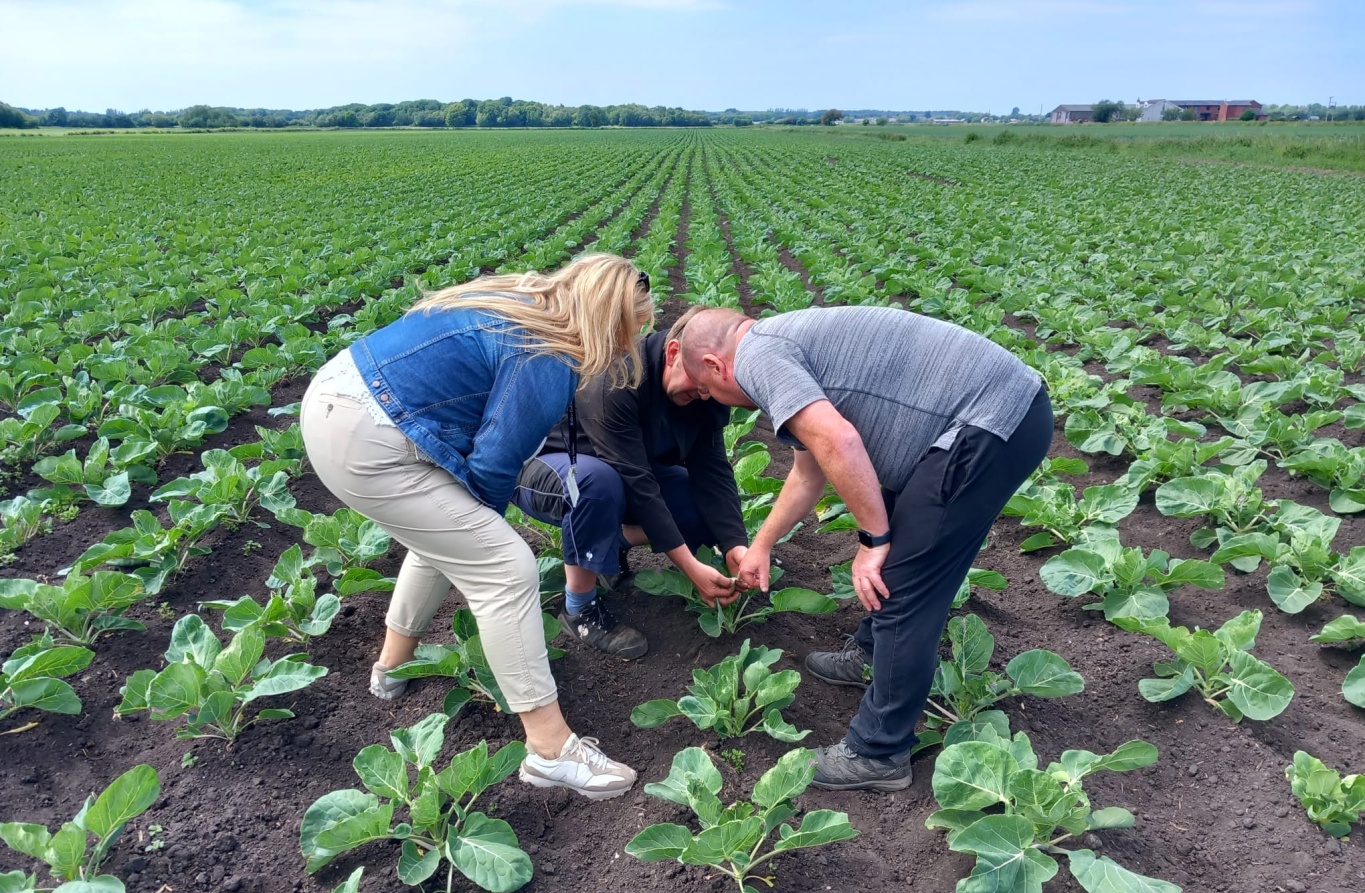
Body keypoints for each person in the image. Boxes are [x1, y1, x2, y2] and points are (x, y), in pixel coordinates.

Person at [299, 253, 653, 801]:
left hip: (336, 401)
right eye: (629, 330)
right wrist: (488, 527)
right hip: (369, 439)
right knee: (506, 568)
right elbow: (493, 464)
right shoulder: (547, 352)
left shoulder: (515, 299)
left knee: (452, 535)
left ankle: (391, 668)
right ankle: (550, 750)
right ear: (608, 320)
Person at [677, 304, 1052, 792]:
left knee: (901, 584)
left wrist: (872, 539)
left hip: (989, 423)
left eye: (706, 389)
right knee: (898, 558)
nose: (710, 398)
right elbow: (808, 472)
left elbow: (841, 443)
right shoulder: (782, 344)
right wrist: (761, 546)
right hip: (982, 418)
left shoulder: (758, 357)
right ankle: (872, 656)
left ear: (713, 364)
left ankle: (879, 752)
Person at [511, 308, 749, 659]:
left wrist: (736, 546)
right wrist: (689, 566)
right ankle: (579, 608)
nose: (702, 397)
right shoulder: (619, 375)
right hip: (546, 466)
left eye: (711, 392)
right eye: (699, 388)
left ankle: (612, 543)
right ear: (673, 354)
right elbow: (637, 481)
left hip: (619, 472)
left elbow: (712, 470)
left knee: (693, 499)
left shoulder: (704, 390)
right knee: (596, 481)